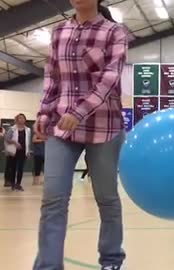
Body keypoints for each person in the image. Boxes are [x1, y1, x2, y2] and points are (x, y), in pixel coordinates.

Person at [33, 0, 128, 269]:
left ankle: (111, 260)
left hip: (104, 127)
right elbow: (52, 77)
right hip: (61, 128)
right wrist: (43, 112)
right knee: (53, 199)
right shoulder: (59, 32)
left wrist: (79, 111)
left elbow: (110, 79)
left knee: (107, 199)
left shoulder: (114, 32)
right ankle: (48, 265)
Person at [4, 114, 31, 191]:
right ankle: (12, 184)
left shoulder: (28, 130)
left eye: (23, 118)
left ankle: (18, 184)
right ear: (17, 119)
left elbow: (28, 141)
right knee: (13, 168)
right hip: (13, 151)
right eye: (20, 118)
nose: (22, 119)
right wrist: (15, 143)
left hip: (23, 151)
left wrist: (28, 151)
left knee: (20, 168)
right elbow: (6, 138)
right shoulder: (12, 129)